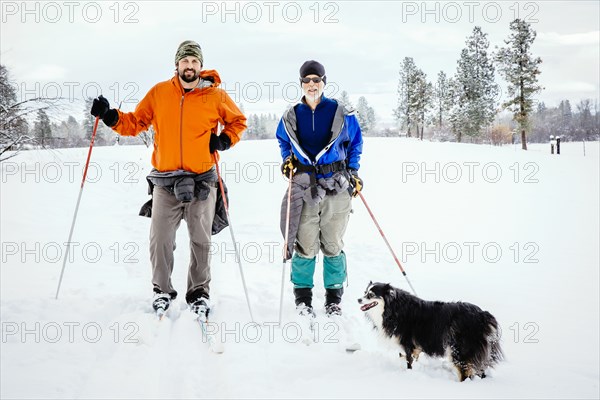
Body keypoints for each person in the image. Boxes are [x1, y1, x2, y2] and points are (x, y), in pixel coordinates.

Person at [90, 40, 247, 318]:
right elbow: (135, 122)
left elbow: (238, 122)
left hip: (202, 181)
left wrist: (224, 140)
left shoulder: (216, 96)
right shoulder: (160, 93)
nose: (189, 66)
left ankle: (199, 293)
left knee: (201, 240)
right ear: (177, 65)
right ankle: (161, 291)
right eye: (185, 61)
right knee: (160, 239)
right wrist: (111, 116)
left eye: (194, 62)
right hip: (165, 181)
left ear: (200, 65)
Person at [276, 60, 364, 317]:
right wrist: (287, 160)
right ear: (301, 84)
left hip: (336, 184)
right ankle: (303, 299)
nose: (312, 85)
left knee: (333, 243)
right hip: (304, 186)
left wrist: (354, 171)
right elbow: (283, 140)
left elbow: (355, 143)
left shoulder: (340, 112)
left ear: (324, 82)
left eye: (317, 80)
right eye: (307, 80)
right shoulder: (291, 115)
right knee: (304, 243)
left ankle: (333, 298)